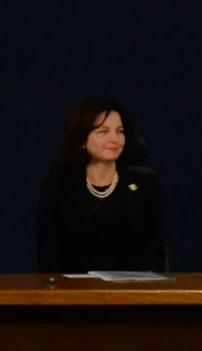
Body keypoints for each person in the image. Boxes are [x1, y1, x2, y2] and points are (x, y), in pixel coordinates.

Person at [35, 97, 166, 273]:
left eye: (120, 131)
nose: (115, 139)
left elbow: (154, 252)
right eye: (103, 132)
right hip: (73, 295)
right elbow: (49, 255)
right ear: (82, 139)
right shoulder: (59, 186)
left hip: (132, 293)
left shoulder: (144, 185)